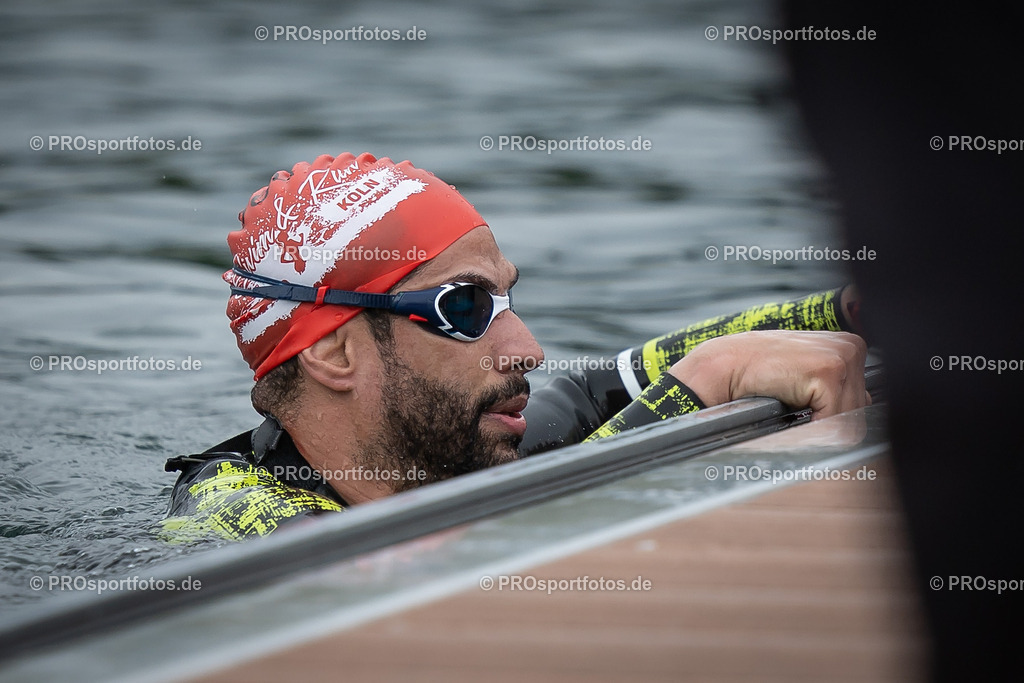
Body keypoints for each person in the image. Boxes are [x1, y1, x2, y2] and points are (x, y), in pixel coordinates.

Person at [163, 152, 869, 542]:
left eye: (508, 300)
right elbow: (429, 581)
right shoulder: (230, 522)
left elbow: (601, 388)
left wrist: (852, 309)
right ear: (335, 354)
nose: (527, 348)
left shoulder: (444, 449)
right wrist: (706, 382)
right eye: (465, 306)